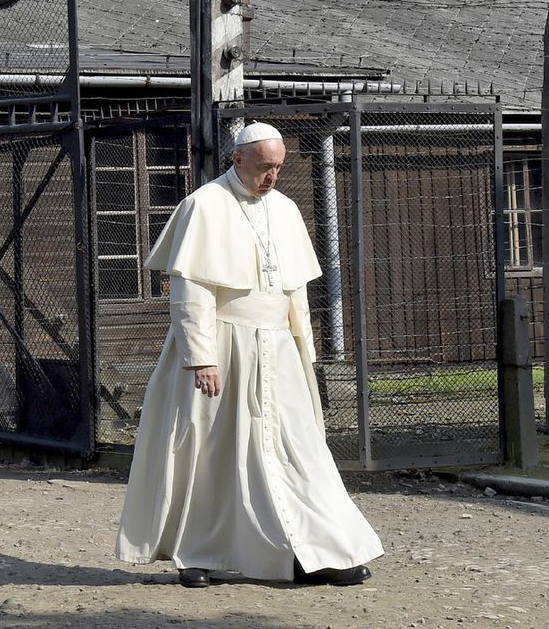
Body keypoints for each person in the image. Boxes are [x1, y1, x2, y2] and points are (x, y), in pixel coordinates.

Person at [116, 122, 382, 589]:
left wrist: (304, 350)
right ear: (237, 160)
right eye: (263, 167)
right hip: (223, 346)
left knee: (299, 450)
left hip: (277, 346)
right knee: (211, 452)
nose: (271, 177)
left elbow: (295, 291)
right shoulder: (204, 205)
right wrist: (201, 356)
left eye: (278, 167)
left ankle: (317, 552)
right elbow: (190, 289)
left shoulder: (286, 209)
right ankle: (199, 554)